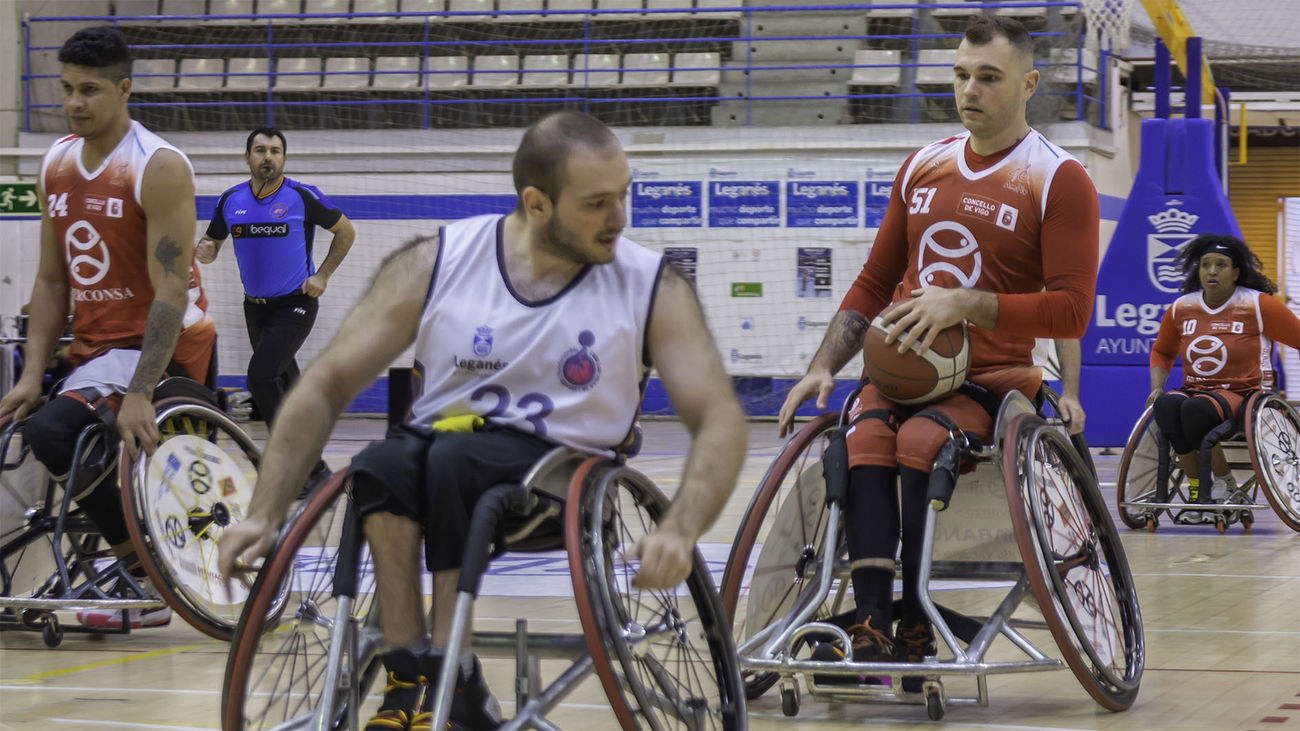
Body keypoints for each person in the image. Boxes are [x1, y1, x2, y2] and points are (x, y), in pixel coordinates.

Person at [217, 110, 747, 730]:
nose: (619, 218)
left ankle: (448, 664)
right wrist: (264, 512)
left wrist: (680, 528)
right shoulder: (440, 260)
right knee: (379, 464)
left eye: (623, 196)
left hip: (565, 476)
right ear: (537, 202)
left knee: (449, 460)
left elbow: (719, 419)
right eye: (598, 202)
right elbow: (327, 382)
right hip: (444, 446)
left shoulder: (650, 284)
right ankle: (411, 670)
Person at [776, 15, 1098, 691]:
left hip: (992, 373)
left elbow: (1070, 308)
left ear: (1028, 83)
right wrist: (821, 365)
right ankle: (870, 621)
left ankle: (918, 616)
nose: (969, 90)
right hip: (900, 363)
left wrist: (967, 302)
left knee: (920, 438)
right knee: (863, 434)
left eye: (988, 77)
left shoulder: (1058, 179)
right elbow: (872, 279)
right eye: (959, 75)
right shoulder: (923, 163)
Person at [0, 26, 215, 629]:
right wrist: (33, 374)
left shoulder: (157, 166)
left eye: (90, 90)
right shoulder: (55, 162)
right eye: (67, 89)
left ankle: (140, 575)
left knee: (54, 432)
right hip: (92, 352)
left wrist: (143, 389)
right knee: (23, 419)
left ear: (124, 89)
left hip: (161, 346)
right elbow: (50, 281)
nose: (74, 102)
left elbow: (172, 288)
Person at [196, 128, 355, 437]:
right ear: (247, 157)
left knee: (261, 376)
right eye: (260, 150)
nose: (267, 156)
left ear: (283, 158)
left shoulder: (302, 195)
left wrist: (322, 275)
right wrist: (205, 251)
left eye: (274, 151)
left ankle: (285, 450)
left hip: (295, 303)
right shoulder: (230, 200)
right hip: (254, 308)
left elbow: (346, 232)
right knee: (283, 378)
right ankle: (310, 449)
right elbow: (211, 245)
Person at [1147, 233, 1300, 522]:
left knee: (1196, 410)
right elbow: (1162, 351)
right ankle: (1197, 488)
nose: (1212, 271)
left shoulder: (1257, 305)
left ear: (1236, 272)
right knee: (1166, 406)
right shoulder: (1182, 308)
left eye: (1221, 265)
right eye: (1205, 265)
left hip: (1246, 394)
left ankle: (1224, 482)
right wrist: (1157, 387)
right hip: (1196, 388)